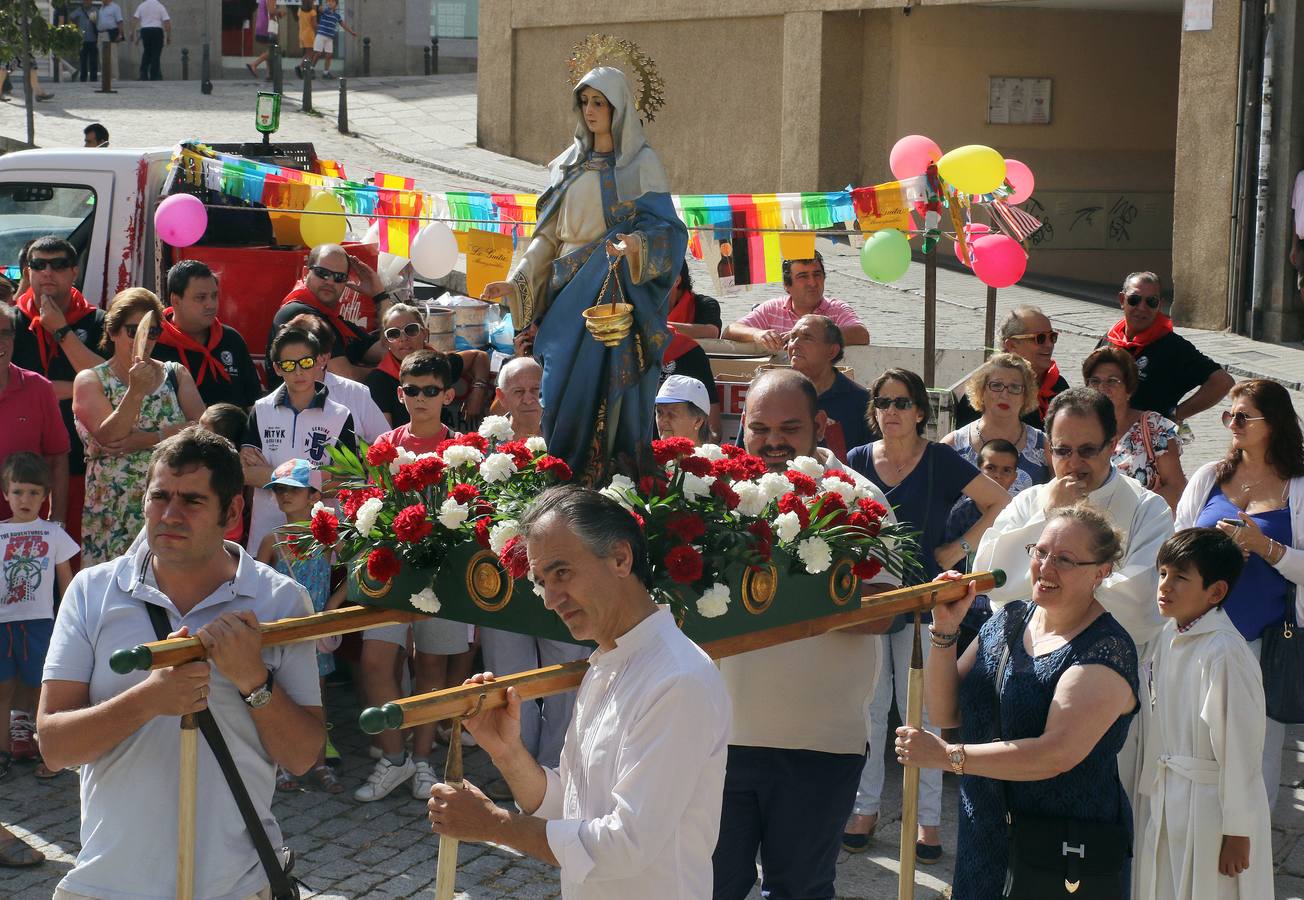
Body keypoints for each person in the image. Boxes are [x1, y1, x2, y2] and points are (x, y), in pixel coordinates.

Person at [38, 428, 324, 899]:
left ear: (231, 513)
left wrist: (254, 680)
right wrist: (149, 699)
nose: (169, 515)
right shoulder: (91, 593)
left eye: (192, 501)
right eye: (159, 497)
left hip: (235, 887)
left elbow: (303, 756)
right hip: (108, 886)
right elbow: (54, 747)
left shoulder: (280, 600)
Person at [427, 486, 731, 900]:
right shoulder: (605, 665)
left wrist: (493, 824)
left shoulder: (678, 679)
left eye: (562, 573)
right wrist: (507, 752)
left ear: (621, 559)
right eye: (542, 581)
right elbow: (570, 807)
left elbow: (626, 844)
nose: (551, 599)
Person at [713, 368, 900, 899]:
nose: (772, 442)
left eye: (789, 428)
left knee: (798, 890)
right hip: (719, 737)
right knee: (708, 887)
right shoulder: (712, 492)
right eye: (758, 428)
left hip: (818, 745)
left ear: (820, 424)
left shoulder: (858, 498)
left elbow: (883, 612)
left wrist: (796, 593)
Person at [900, 505, 1139, 900]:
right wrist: (944, 630)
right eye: (1040, 552)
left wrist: (949, 757)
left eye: (1065, 559)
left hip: (1061, 848)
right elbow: (946, 712)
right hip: (985, 831)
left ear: (1102, 571)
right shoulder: (1007, 620)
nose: (1046, 567)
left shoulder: (1105, 651)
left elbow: (1054, 754)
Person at [480, 67, 687, 483]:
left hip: (614, 293)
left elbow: (668, 232)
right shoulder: (566, 167)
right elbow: (547, 240)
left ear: (618, 108)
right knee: (558, 396)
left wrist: (636, 246)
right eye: (585, 102)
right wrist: (517, 281)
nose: (590, 111)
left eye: (599, 102)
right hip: (565, 296)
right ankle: (564, 478)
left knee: (613, 393)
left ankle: (612, 477)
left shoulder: (643, 164)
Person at [973, 387, 1174, 802]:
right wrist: (1046, 517)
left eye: (1087, 450)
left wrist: (1043, 594)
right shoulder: (1028, 502)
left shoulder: (1147, 510)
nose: (1074, 464)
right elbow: (990, 580)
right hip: (1022, 682)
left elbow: (1140, 600)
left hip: (1106, 688)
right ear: (1047, 447)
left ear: (1113, 444)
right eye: (1063, 451)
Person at [842, 367, 1010, 859]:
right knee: (872, 712)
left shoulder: (939, 460)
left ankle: (929, 822)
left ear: (920, 411)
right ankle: (866, 808)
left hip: (920, 601)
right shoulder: (856, 460)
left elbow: (997, 502)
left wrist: (956, 550)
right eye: (883, 402)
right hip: (871, 600)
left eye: (901, 402)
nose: (891, 411)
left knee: (923, 715)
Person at [1173, 378, 1304, 810]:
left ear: (1275, 423)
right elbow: (1177, 548)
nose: (1232, 423)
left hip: (1265, 643)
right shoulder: (1211, 476)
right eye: (1228, 415)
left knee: (1255, 754)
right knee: (1193, 743)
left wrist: (1264, 547)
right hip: (1200, 633)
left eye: (1243, 416)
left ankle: (1250, 856)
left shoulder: (1298, 488)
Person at [353, 350, 472, 803]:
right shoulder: (385, 446)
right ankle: (395, 759)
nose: (419, 399)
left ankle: (422, 762)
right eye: (410, 390)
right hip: (391, 571)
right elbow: (366, 507)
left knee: (432, 669)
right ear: (399, 392)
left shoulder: (461, 447)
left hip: (441, 574)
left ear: (446, 394)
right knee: (376, 665)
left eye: (429, 391)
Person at [1137, 528, 1273, 900]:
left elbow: (1241, 747)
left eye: (1181, 577)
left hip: (1213, 805)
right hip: (1172, 793)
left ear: (1215, 592)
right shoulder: (1167, 635)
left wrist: (1238, 830)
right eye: (1163, 573)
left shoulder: (1225, 652)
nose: (1165, 586)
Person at [72, 288, 205, 568]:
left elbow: (205, 430)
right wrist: (135, 392)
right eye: (134, 330)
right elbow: (110, 434)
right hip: (112, 509)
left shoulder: (175, 374)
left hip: (169, 506)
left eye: (153, 332)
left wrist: (149, 438)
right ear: (113, 331)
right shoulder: (91, 380)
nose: (144, 340)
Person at [254, 458, 346, 795]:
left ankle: (319, 763)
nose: (284, 496)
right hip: (280, 631)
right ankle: (278, 766)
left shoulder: (325, 534)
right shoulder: (272, 539)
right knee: (277, 695)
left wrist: (333, 605)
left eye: (293, 489)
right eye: (279, 490)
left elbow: (357, 566)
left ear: (313, 495)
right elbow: (254, 583)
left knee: (317, 697)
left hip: (315, 630)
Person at [12, 238, 106, 552]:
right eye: (38, 265)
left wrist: (61, 330)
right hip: (19, 473)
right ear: (29, 271)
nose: (47, 272)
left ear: (74, 272)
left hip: (84, 466)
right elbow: (9, 386)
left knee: (74, 565)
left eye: (58, 265)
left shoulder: (98, 322)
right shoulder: (10, 321)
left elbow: (109, 380)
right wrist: (72, 386)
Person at [241, 326, 356, 552]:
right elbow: (246, 473)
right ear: (277, 368)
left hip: (320, 541)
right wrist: (317, 476)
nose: (298, 372)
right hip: (267, 535)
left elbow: (345, 481)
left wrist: (273, 474)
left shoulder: (341, 416)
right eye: (288, 365)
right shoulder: (261, 410)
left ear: (320, 362)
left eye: (305, 363)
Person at [0, 453, 78, 782]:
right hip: (3, 625)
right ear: (5, 493)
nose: (25, 499)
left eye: (34, 492)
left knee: (39, 691)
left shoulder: (53, 534)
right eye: (18, 492)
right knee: (2, 692)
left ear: (46, 495)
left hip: (41, 624)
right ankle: (3, 753)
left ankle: (47, 753)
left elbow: (67, 582)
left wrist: (71, 619)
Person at [1097, 271, 1233, 422]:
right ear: (1122, 299)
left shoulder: (1172, 347)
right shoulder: (1110, 337)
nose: (1142, 307)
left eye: (1151, 301)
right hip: (1106, 434)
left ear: (1159, 305)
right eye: (1134, 299)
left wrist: (1175, 415)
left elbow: (1222, 382)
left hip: (1149, 440)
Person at [942, 439, 1023, 652]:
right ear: (978, 471)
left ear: (1015, 476)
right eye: (990, 468)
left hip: (1005, 613)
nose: (998, 476)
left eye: (1006, 470)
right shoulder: (959, 516)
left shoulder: (1019, 515)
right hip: (965, 616)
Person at [1083, 346, 1187, 510]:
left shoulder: (1155, 426)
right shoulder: (1079, 428)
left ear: (1129, 390)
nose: (1102, 388)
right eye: (1095, 381)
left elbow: (1176, 487)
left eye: (1112, 381)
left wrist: (1131, 512)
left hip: (1142, 527)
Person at [268, 243, 388, 383]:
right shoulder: (298, 315)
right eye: (322, 273)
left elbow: (386, 349)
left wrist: (379, 294)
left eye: (339, 277)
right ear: (305, 273)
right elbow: (344, 377)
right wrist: (389, 371)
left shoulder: (334, 320)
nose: (330, 281)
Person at [153, 260, 263, 409]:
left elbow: (253, 404)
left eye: (214, 296)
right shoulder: (154, 344)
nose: (211, 304)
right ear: (176, 300)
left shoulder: (231, 340)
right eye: (201, 297)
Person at [0, 301, 70, 525]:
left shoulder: (39, 388)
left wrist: (57, 520)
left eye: (5, 333)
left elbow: (58, 458)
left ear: (13, 337)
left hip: (25, 535)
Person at [942, 352, 1049, 493]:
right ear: (981, 391)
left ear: (1026, 396)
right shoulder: (952, 445)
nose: (1004, 395)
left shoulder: (1045, 446)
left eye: (1015, 388)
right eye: (996, 385)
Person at [722, 252, 869, 350]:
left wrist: (813, 334)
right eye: (803, 276)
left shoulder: (836, 309)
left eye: (817, 275)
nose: (812, 282)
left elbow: (861, 334)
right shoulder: (772, 309)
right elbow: (730, 331)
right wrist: (757, 335)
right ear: (787, 286)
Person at [953, 305, 1068, 429]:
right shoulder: (986, 388)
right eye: (1040, 338)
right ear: (1012, 345)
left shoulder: (1058, 385)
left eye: (1052, 337)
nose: (1049, 344)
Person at [283, 313, 388, 443]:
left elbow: (385, 446)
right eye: (289, 358)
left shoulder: (356, 393)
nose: (297, 368)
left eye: (304, 359)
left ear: (324, 358)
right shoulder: (265, 406)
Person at [786, 314, 872, 455]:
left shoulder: (862, 402)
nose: (795, 343)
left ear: (832, 351)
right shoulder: (772, 395)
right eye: (792, 337)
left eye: (807, 338)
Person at [666, 261, 721, 339]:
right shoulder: (644, 306)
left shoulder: (704, 304)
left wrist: (657, 327)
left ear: (676, 280)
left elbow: (712, 332)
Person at [494, 356, 543, 440]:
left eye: (536, 389)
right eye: (518, 391)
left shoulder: (566, 438)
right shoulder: (486, 445)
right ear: (502, 396)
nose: (528, 401)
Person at [654, 374, 712, 444]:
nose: (663, 420)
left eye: (671, 414)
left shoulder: (714, 455)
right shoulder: (646, 454)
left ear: (698, 421)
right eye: (659, 412)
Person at [310, 0, 355, 79]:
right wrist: (320, 7)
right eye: (328, 1)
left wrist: (351, 32)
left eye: (332, 1)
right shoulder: (325, 11)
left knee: (329, 55)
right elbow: (320, 9)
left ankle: (326, 73)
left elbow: (343, 25)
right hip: (321, 35)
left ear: (336, 4)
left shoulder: (337, 15)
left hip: (329, 38)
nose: (330, 3)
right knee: (318, 53)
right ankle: (311, 69)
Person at [131, 0, 170, 81]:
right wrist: (168, 36)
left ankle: (143, 75)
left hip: (145, 30)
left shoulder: (141, 5)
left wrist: (132, 33)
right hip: (156, 30)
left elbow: (135, 19)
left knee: (146, 52)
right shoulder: (160, 5)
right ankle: (154, 75)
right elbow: (167, 21)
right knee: (156, 53)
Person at [246, 0, 282, 80]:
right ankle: (254, 64)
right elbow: (272, 12)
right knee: (273, 49)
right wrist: (280, 12)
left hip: (262, 25)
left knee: (269, 49)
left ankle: (269, 74)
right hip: (267, 27)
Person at [68, 0, 99, 83]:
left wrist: (96, 22)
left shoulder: (95, 11)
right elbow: (70, 17)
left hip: (93, 39)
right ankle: (83, 79)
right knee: (83, 61)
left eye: (88, 1)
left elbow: (100, 22)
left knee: (93, 61)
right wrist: (74, 29)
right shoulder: (79, 10)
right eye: (85, 1)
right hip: (82, 40)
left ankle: (93, 79)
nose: (87, 2)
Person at [294, 0, 318, 78]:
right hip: (309, 34)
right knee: (310, 53)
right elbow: (314, 25)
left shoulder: (299, 10)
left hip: (301, 33)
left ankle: (303, 68)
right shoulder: (312, 12)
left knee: (308, 52)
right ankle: (301, 67)